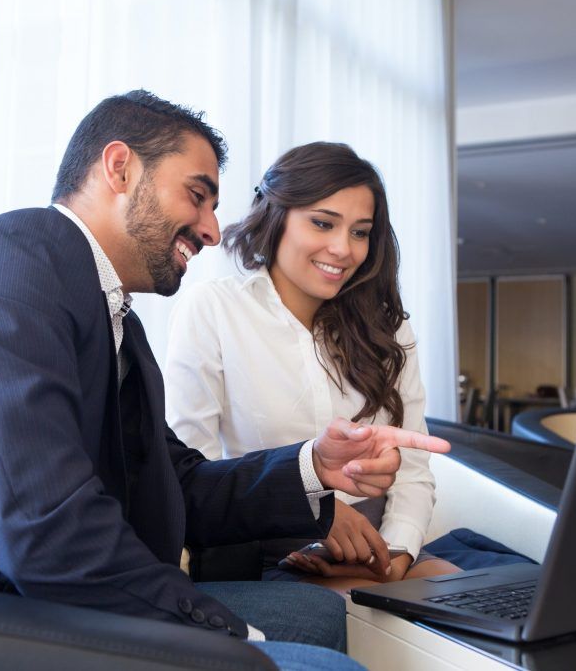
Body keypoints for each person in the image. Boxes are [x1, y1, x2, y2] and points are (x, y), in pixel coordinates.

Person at [0, 91, 450, 670]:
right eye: (197, 195)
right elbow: (46, 531)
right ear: (118, 167)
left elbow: (176, 483)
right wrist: (224, 635)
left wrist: (313, 466)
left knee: (315, 620)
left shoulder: (111, 319)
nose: (215, 230)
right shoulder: (7, 270)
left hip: (4, 587)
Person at [165, 142, 460, 594]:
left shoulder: (387, 328)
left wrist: (397, 556)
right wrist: (313, 506)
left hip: (379, 547)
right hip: (267, 544)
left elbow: (414, 470)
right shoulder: (214, 309)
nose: (343, 249)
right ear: (275, 216)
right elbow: (191, 466)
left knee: (468, 601)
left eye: (360, 232)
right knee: (351, 610)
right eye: (323, 223)